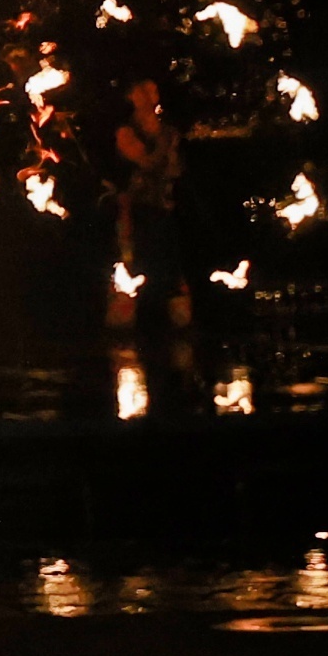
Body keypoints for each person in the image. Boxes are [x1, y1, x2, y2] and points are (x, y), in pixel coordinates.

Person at [106, 72, 204, 417]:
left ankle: (175, 338)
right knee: (148, 268)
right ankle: (146, 336)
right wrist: (165, 143)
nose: (150, 93)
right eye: (143, 89)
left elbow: (174, 168)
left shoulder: (166, 130)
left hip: (166, 207)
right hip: (142, 210)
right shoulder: (128, 131)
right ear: (134, 96)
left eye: (153, 88)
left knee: (171, 268)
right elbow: (148, 161)